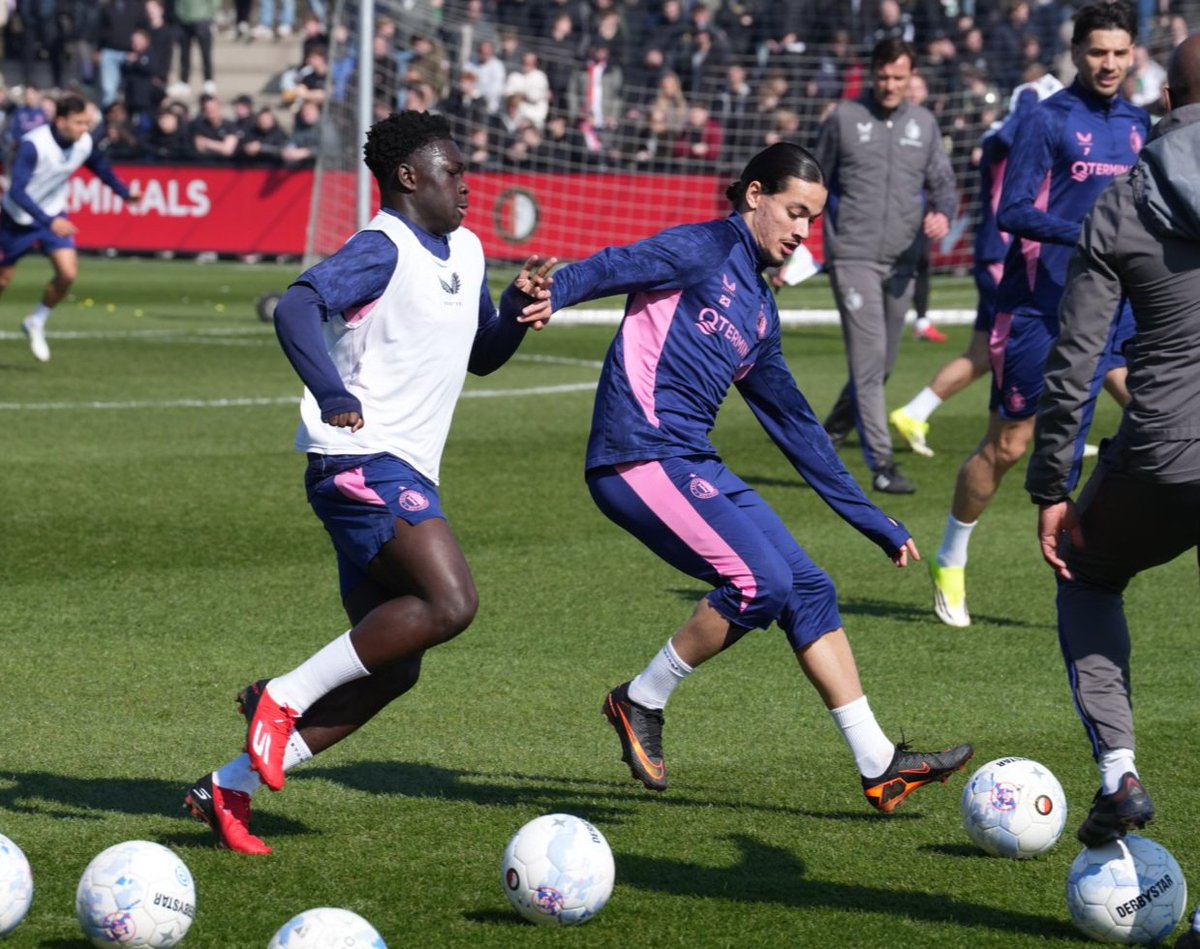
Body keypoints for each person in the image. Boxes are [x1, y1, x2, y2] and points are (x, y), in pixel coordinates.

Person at [520, 141, 973, 810]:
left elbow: (799, 431)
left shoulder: (760, 312)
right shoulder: (703, 246)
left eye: (812, 221)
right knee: (759, 581)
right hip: (636, 454)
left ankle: (880, 764)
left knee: (808, 588)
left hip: (689, 461)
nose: (801, 232)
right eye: (794, 212)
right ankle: (640, 698)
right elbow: (622, 263)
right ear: (754, 194)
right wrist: (556, 289)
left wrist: (873, 519)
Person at [182, 110, 555, 855]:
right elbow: (297, 304)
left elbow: (480, 353)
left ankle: (229, 785)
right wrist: (331, 391)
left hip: (404, 467)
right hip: (359, 461)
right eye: (453, 173)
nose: (468, 188)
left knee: (395, 668)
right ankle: (280, 698)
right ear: (409, 178)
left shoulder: (469, 250)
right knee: (452, 602)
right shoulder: (380, 248)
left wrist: (513, 313)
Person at [1026, 32, 1200, 850]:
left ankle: (1118, 773)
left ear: (1164, 102)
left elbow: (1076, 360)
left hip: (1164, 450)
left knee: (1089, 578)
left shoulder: (1124, 200)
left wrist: (1051, 489)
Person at [929, 1, 1149, 628]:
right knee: (1008, 445)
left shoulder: (1139, 124)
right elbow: (1013, 211)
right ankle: (950, 555)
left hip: (1112, 304)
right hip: (1037, 307)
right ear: (1076, 53)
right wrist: (1084, 235)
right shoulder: (1046, 120)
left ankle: (1098, 551)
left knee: (1160, 414)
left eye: (1119, 52)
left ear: (1133, 53)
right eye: (1097, 52)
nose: (1108, 64)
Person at [889, 73, 1064, 458]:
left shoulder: (1004, 137)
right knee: (1035, 341)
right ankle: (1053, 433)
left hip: (999, 253)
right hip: (1002, 256)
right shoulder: (1010, 135)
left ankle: (916, 412)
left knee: (984, 353)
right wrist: (1031, 102)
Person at [815, 38, 958, 495]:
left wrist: (943, 214)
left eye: (900, 78)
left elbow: (944, 185)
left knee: (883, 363)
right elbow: (815, 182)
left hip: (903, 262)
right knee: (870, 361)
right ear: (871, 74)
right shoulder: (843, 118)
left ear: (911, 77)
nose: (891, 85)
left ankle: (827, 436)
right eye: (884, 77)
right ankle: (881, 465)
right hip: (853, 257)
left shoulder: (925, 124)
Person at [4, 93, 141, 363]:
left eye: (87, 122)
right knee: (3, 281)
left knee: (67, 274)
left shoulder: (84, 143)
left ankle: (36, 321)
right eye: (79, 122)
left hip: (53, 216)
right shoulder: (34, 145)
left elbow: (101, 169)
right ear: (61, 121)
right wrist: (49, 221)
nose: (84, 128)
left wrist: (124, 194)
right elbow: (17, 191)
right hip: (15, 219)